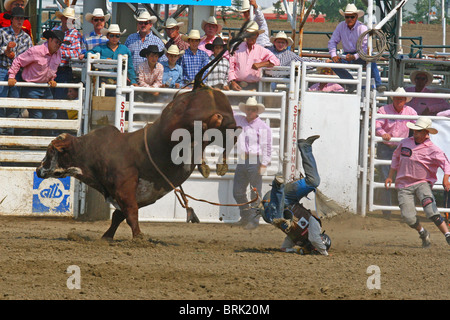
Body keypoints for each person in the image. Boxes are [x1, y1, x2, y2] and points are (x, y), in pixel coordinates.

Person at [385, 116, 450, 247]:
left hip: (422, 182)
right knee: (408, 217)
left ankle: (447, 235)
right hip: (404, 184)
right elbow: (396, 157)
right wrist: (390, 176)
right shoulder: (404, 143)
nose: (415, 133)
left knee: (430, 210)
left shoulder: (433, 149)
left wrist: (445, 178)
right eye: (415, 130)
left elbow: (446, 163)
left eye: (419, 131)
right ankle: (422, 232)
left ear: (426, 133)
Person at [259, 135, 329, 256]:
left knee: (274, 218)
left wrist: (298, 250)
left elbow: (284, 248)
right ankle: (305, 147)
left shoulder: (298, 241)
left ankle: (278, 186)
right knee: (313, 182)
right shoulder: (315, 226)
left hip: (274, 205)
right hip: (288, 199)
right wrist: (324, 253)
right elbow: (314, 240)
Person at [8, 30, 68, 136]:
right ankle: (27, 140)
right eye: (56, 42)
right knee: (37, 115)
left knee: (51, 114)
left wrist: (52, 78)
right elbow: (18, 60)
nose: (58, 45)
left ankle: (45, 141)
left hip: (45, 86)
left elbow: (53, 68)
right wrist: (12, 76)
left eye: (60, 43)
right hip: (32, 86)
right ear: (49, 40)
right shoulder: (36, 51)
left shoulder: (58, 53)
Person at [375, 87, 417, 218]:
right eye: (398, 98)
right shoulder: (384, 110)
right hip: (387, 147)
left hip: (401, 147)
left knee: (404, 177)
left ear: (405, 100)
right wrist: (383, 134)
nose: (400, 100)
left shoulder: (410, 111)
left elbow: (418, 125)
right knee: (386, 175)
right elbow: (377, 126)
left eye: (402, 99)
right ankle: (387, 210)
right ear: (393, 99)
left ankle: (402, 209)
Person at [233, 97, 272, 230]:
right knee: (237, 192)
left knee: (255, 192)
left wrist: (264, 163)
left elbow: (267, 146)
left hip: (255, 159)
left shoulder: (262, 126)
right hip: (243, 159)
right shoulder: (239, 119)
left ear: (257, 111)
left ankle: (254, 220)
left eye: (252, 110)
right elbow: (229, 113)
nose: (249, 111)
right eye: (248, 109)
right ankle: (245, 217)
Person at [328, 4, 384, 92]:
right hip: (348, 54)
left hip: (360, 54)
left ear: (356, 17)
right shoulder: (341, 26)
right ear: (345, 17)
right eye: (347, 17)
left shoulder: (362, 28)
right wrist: (334, 55)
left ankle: (378, 84)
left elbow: (367, 48)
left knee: (371, 60)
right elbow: (332, 41)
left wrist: (355, 56)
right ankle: (352, 83)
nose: (349, 19)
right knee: (334, 64)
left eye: (352, 17)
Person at [0, 6, 32, 135]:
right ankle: (3, 132)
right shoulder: (2, 32)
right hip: (3, 70)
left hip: (17, 73)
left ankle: (9, 133)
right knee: (1, 101)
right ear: (12, 19)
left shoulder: (26, 38)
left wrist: (15, 56)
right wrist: (5, 51)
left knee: (14, 102)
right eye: (17, 18)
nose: (20, 21)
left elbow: (30, 57)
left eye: (22, 19)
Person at [228, 21, 280, 92]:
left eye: (253, 35)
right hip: (236, 85)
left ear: (257, 35)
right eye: (248, 35)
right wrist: (232, 81)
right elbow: (230, 65)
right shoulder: (237, 47)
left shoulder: (261, 50)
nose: (250, 38)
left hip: (253, 87)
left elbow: (276, 61)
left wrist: (261, 64)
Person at [87, 24, 137, 88]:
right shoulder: (101, 48)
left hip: (120, 82)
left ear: (119, 37)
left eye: (117, 36)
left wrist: (133, 81)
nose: (114, 38)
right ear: (107, 36)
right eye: (112, 35)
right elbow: (88, 53)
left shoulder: (125, 50)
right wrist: (104, 59)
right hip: (103, 81)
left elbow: (130, 67)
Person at [52, 7, 83, 103]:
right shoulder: (54, 30)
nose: (67, 21)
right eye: (66, 18)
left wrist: (57, 51)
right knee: (49, 96)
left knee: (60, 98)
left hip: (63, 71)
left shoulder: (75, 34)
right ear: (61, 19)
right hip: (50, 69)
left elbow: (76, 52)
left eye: (70, 19)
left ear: (73, 21)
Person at [124, 11, 166, 77]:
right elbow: (124, 58)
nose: (143, 25)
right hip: (131, 78)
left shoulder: (158, 41)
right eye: (141, 23)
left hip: (150, 80)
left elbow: (163, 63)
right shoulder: (130, 39)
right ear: (138, 24)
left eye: (146, 23)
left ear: (150, 25)